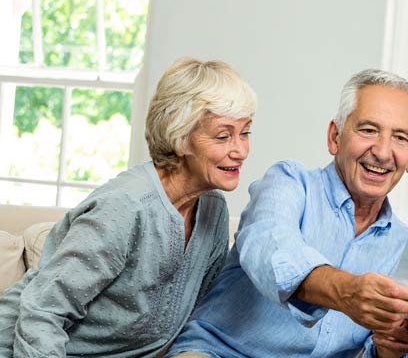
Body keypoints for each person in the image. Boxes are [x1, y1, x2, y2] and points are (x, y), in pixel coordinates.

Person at [166, 69, 408, 358]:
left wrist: (393, 350)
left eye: (399, 138)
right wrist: (349, 292)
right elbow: (269, 249)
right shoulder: (288, 183)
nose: (383, 152)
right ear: (335, 136)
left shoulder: (407, 245)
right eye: (369, 130)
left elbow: (405, 344)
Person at [0, 57, 257, 357]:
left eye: (246, 132)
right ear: (180, 137)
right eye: (223, 136)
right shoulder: (125, 208)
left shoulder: (213, 210)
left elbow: (202, 315)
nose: (241, 150)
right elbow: (42, 314)